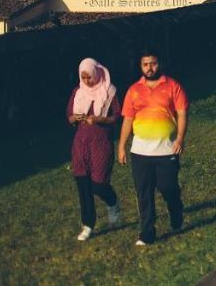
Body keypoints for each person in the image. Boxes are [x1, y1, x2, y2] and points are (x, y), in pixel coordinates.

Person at [118, 50, 188, 247]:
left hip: (167, 150)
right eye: (146, 64)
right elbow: (128, 120)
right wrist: (122, 146)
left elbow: (182, 114)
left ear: (160, 64)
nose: (150, 68)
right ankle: (147, 233)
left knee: (168, 188)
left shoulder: (173, 86)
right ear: (141, 67)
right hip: (140, 153)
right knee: (144, 194)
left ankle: (176, 212)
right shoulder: (133, 90)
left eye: (153, 63)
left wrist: (180, 139)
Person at [67, 58, 122, 241]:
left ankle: (112, 202)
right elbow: (68, 116)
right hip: (81, 144)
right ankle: (88, 225)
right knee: (83, 185)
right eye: (84, 78)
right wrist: (75, 118)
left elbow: (116, 117)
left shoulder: (109, 91)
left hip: (101, 144)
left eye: (89, 77)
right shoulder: (78, 92)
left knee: (98, 184)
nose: (87, 81)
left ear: (97, 73)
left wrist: (99, 119)